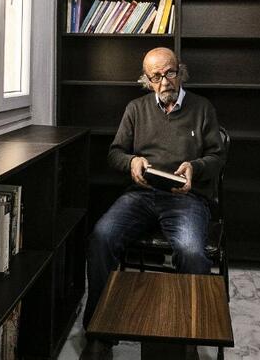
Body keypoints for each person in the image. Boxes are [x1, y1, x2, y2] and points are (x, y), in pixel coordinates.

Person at [80, 47, 226, 360]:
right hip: (141, 195)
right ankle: (99, 334)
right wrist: (131, 162)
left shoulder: (203, 108)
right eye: (155, 76)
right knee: (101, 238)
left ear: (181, 71)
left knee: (190, 251)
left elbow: (217, 156)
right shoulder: (136, 109)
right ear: (147, 80)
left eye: (170, 72)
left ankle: (190, 335)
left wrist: (195, 168)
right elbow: (115, 152)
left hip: (185, 198)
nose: (164, 82)